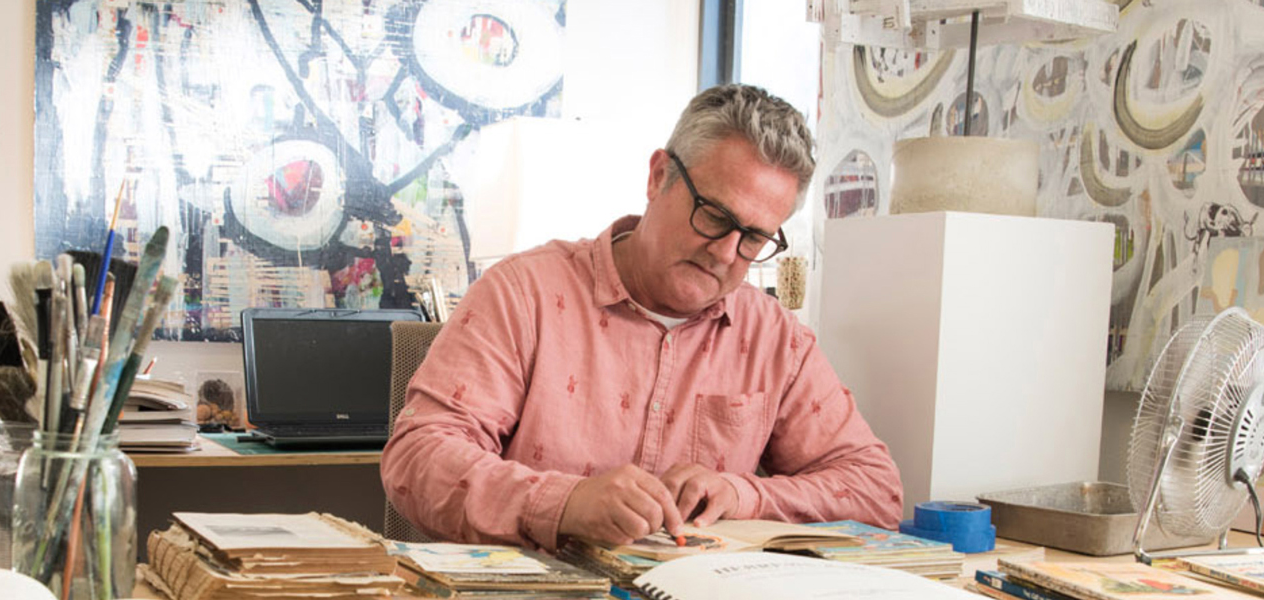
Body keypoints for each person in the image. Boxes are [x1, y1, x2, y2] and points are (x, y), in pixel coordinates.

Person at [380, 84, 902, 550]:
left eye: (754, 237)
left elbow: (876, 492)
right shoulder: (523, 294)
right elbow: (417, 459)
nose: (725, 253)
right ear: (658, 177)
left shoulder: (776, 340)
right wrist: (564, 503)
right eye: (715, 216)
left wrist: (743, 493)